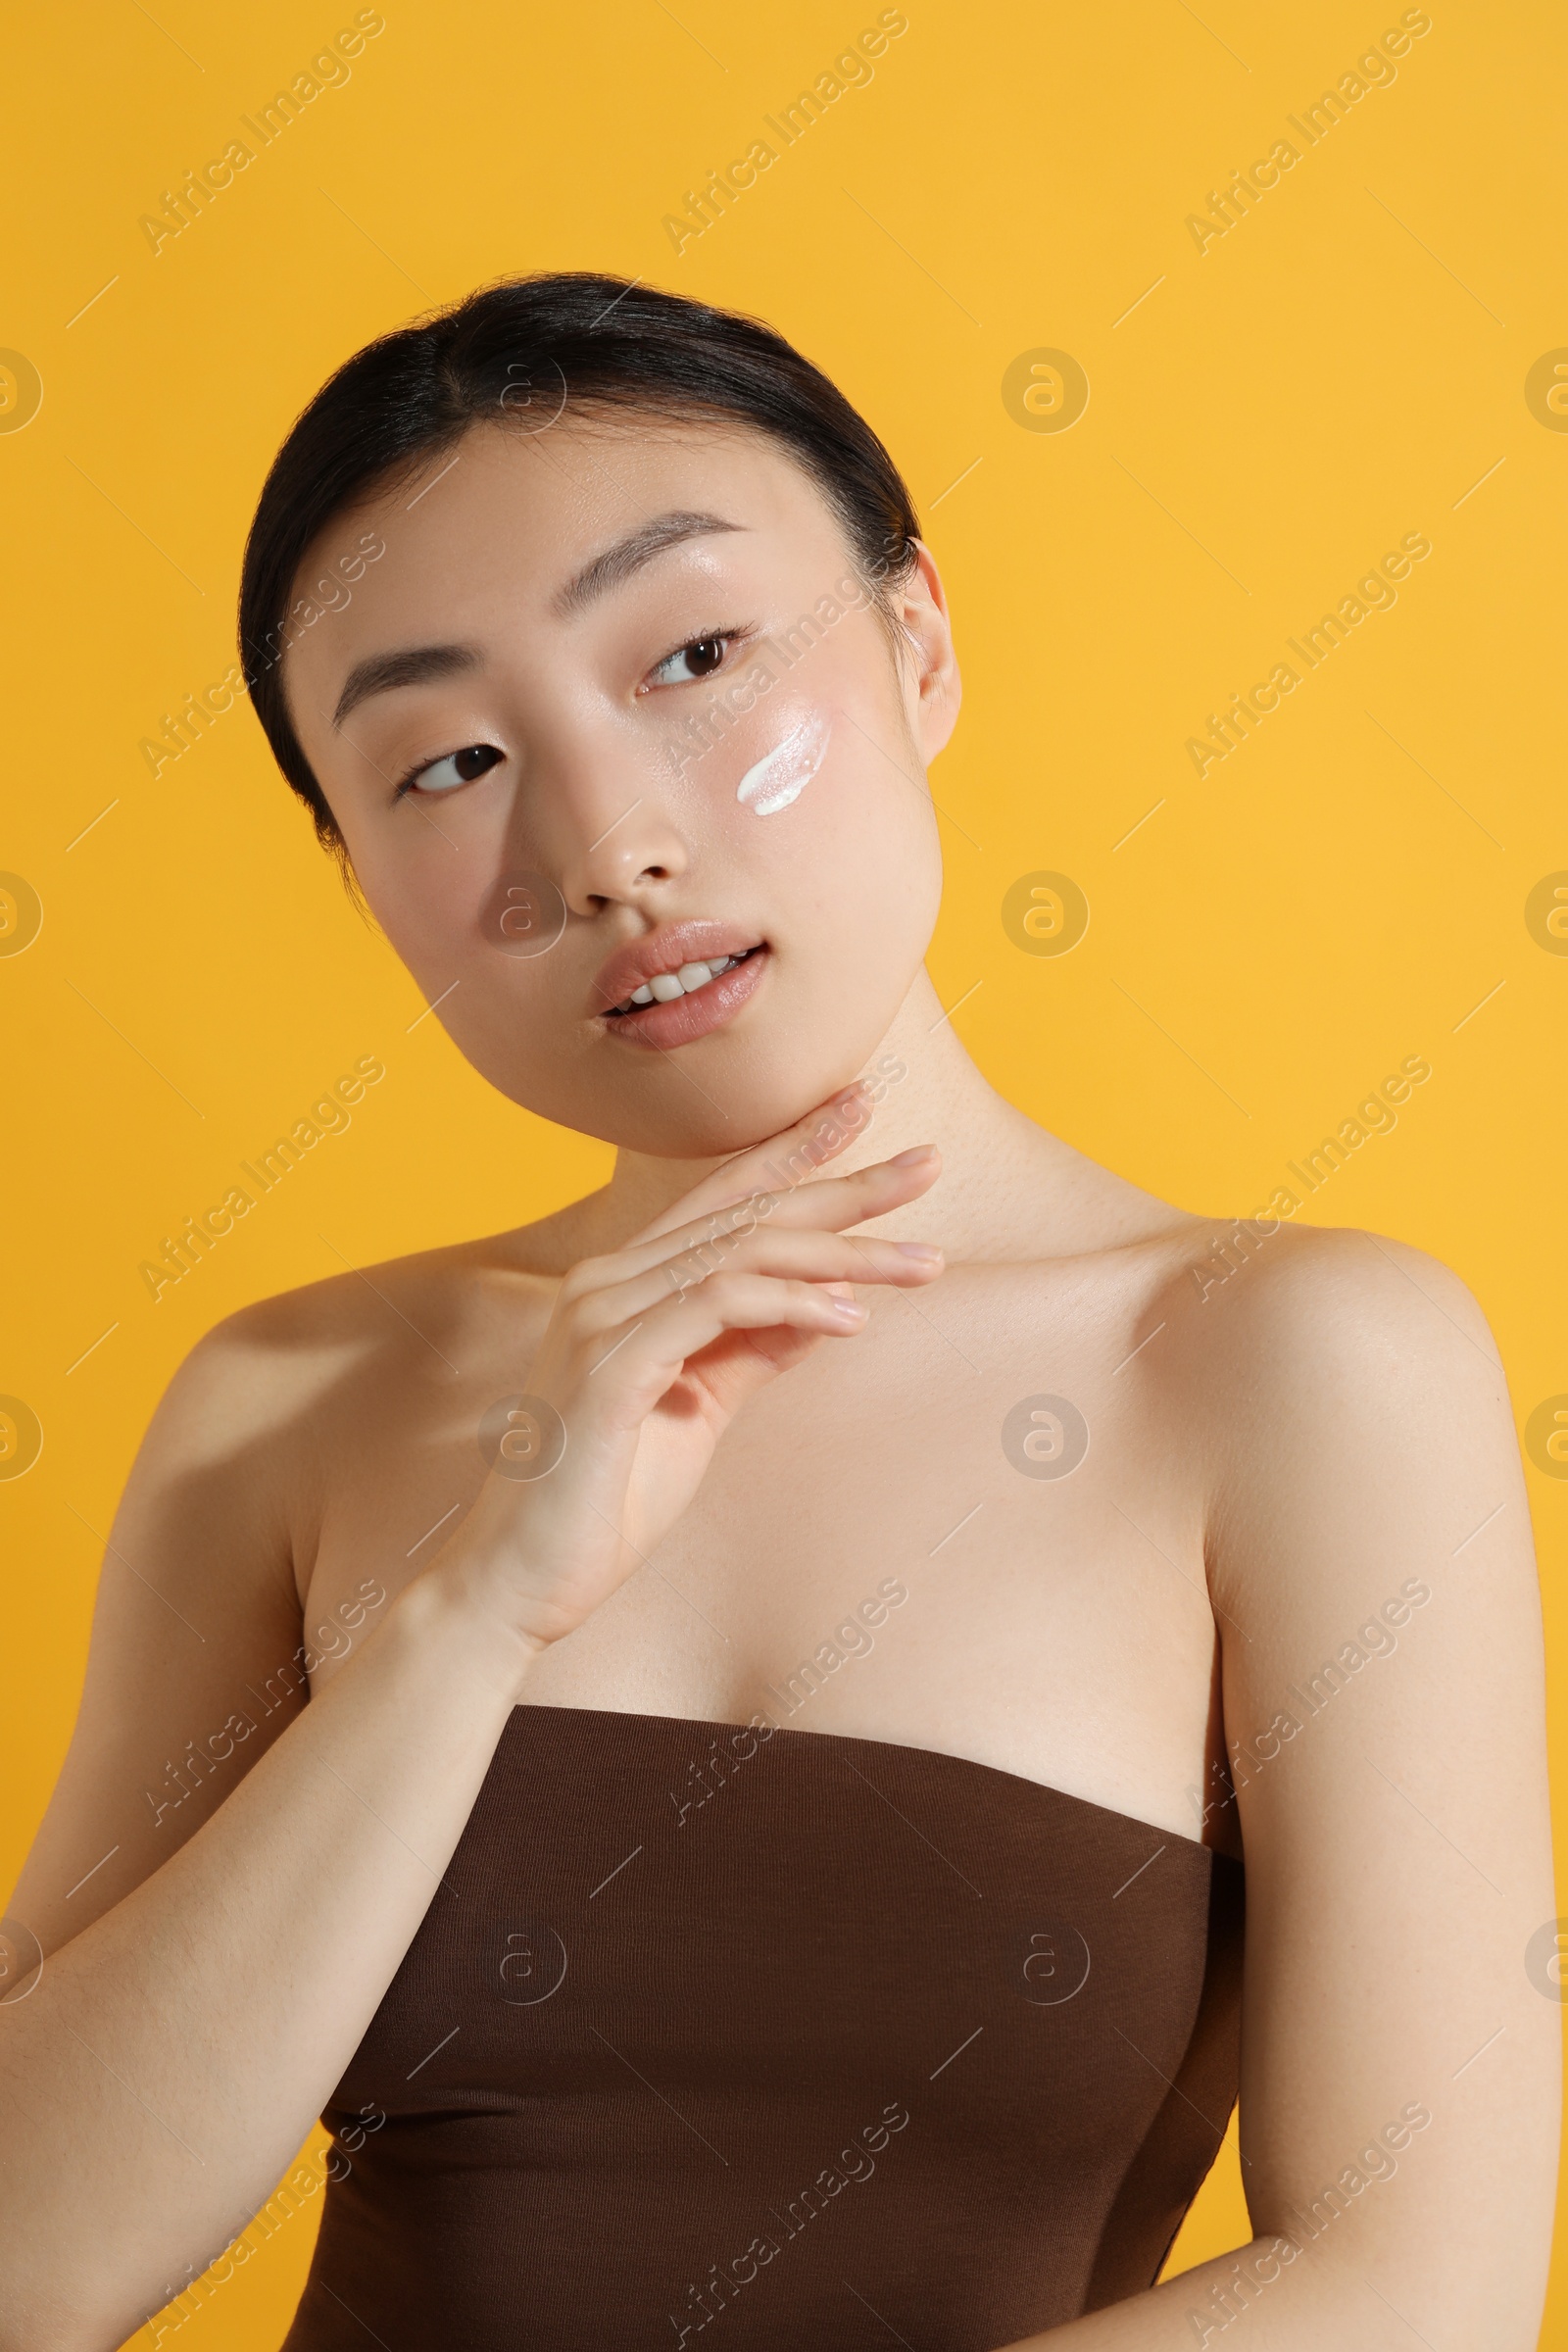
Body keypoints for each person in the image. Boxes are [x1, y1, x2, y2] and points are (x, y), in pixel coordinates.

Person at [0, 273, 1556, 2352]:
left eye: (698, 657)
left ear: (915, 647)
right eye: (449, 760)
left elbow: (1411, 2288)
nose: (608, 847)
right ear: (356, 873)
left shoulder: (1292, 1364)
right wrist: (473, 1608)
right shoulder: (291, 1402)